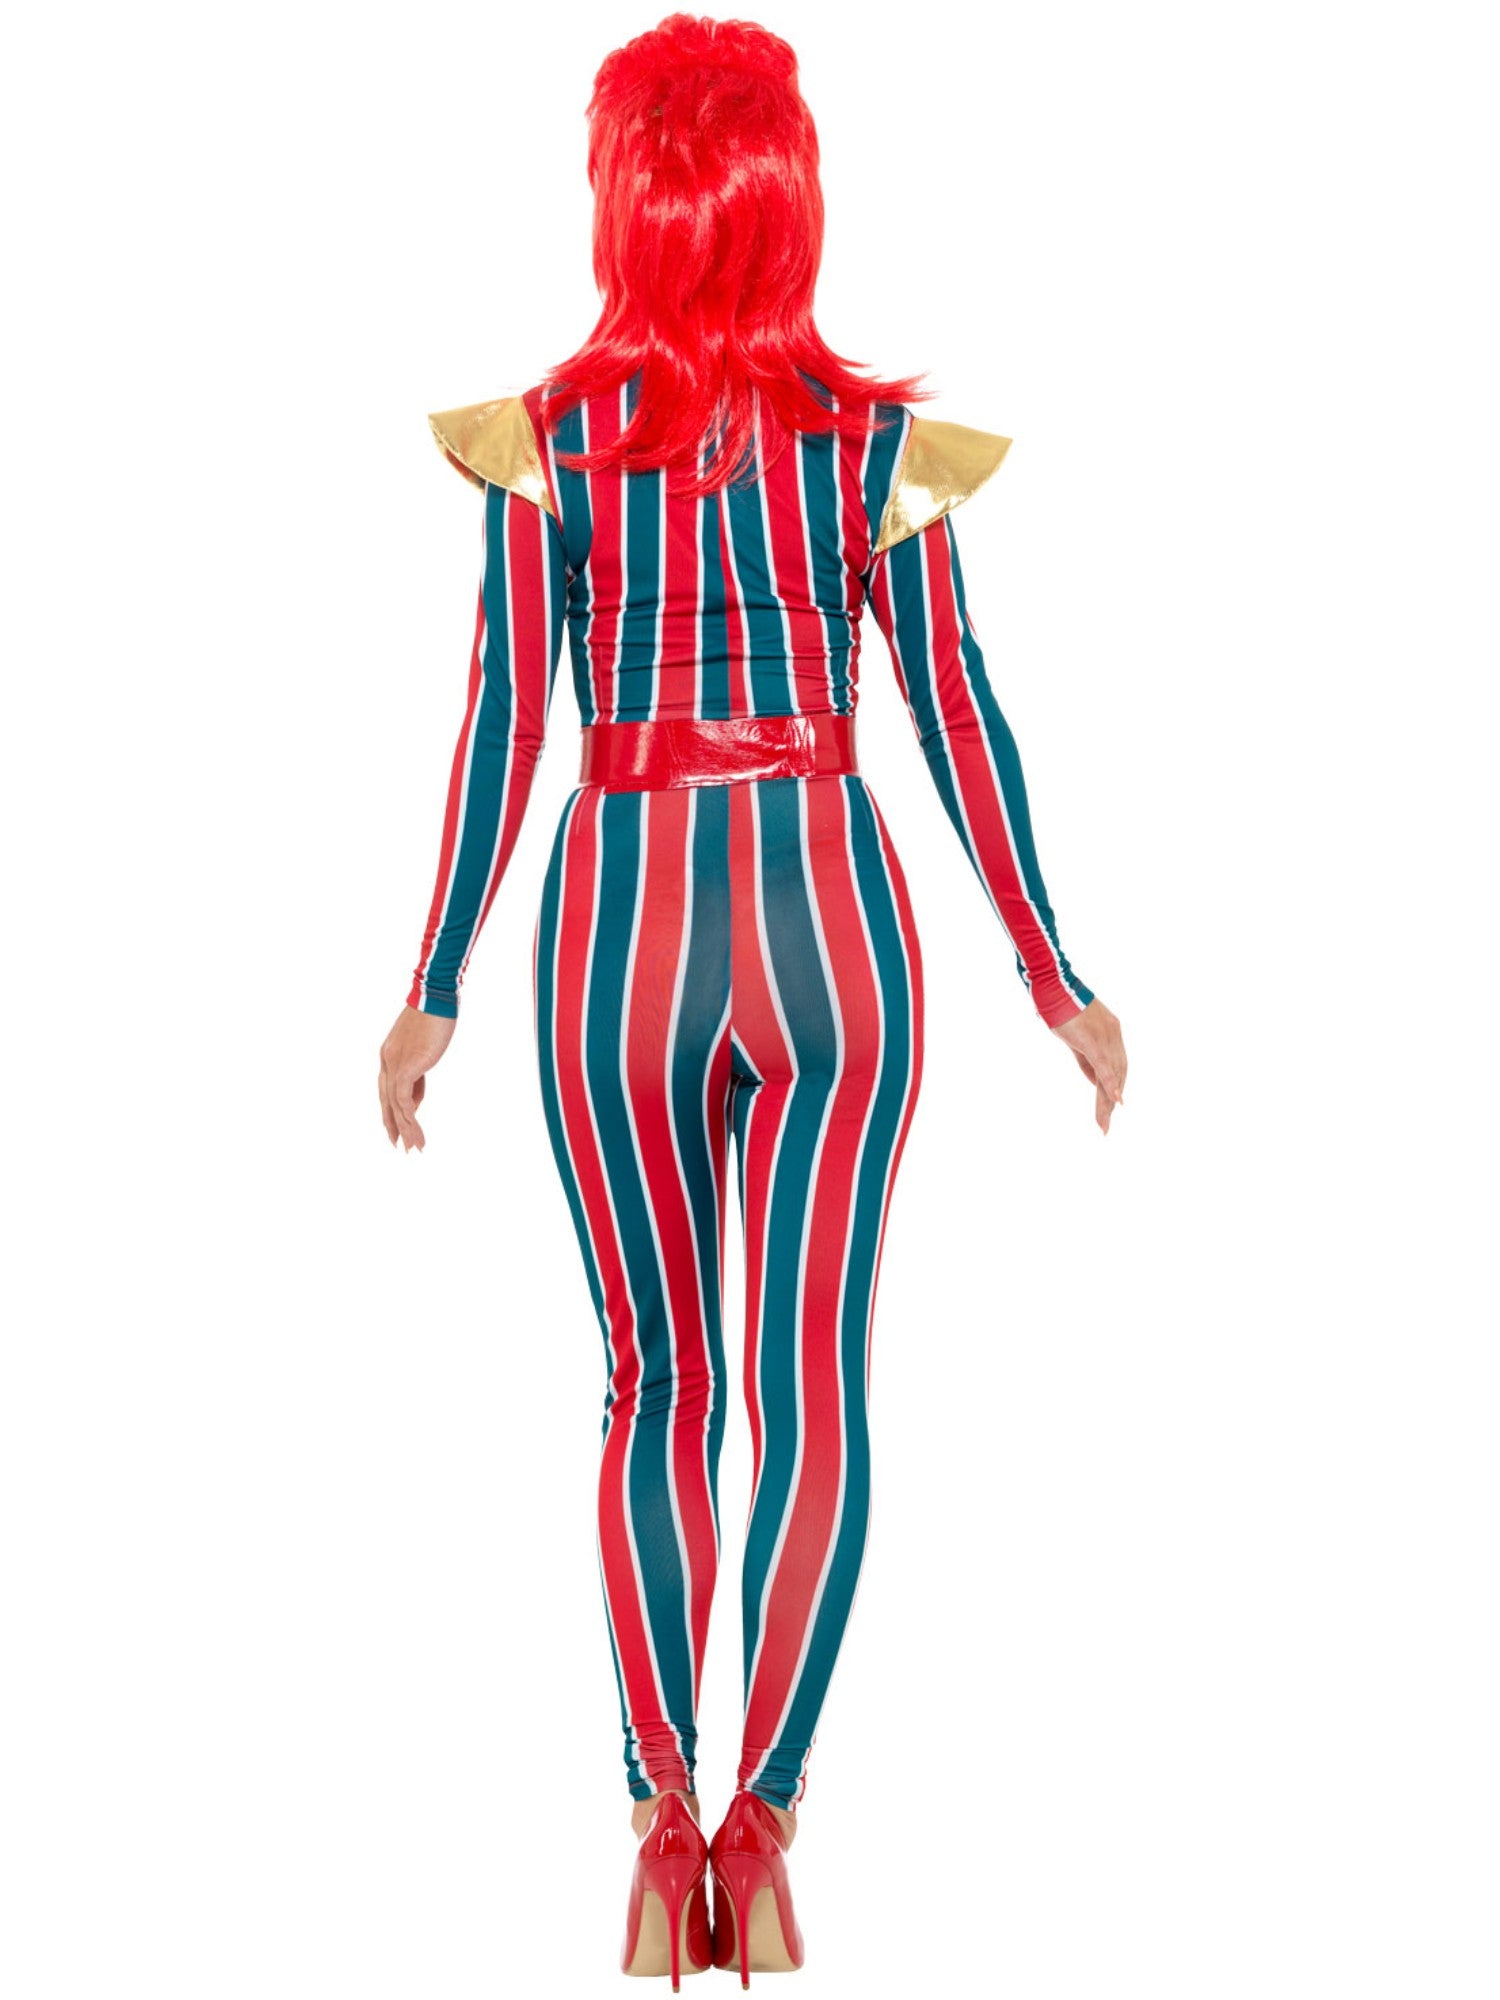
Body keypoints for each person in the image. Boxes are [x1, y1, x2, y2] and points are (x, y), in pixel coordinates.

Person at [377, 11, 1127, 1987]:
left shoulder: (546, 442)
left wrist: (434, 981)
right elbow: (958, 715)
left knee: (655, 1381)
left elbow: (502, 719)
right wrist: (1052, 971)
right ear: (791, 196)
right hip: (827, 916)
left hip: (618, 921)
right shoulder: (871, 454)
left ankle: (657, 1821)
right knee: (809, 1385)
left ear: (621, 196)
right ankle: (764, 1828)